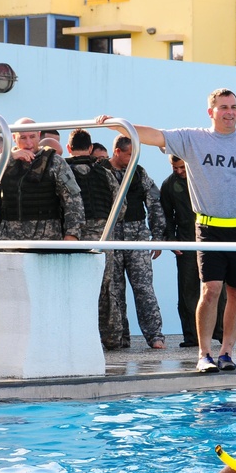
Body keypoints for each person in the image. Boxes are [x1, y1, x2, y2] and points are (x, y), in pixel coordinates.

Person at [96, 88, 236, 373]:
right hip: (209, 228)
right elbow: (154, 135)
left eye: (233, 106)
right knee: (210, 290)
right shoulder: (192, 139)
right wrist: (119, 125)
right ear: (211, 112)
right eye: (223, 107)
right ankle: (204, 353)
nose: (229, 112)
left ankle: (227, 351)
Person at [98, 134, 166, 350]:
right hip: (110, 238)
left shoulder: (139, 172)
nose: (133, 158)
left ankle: (155, 336)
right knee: (114, 290)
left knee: (144, 288)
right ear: (117, 151)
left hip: (137, 236)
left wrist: (158, 237)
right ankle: (119, 338)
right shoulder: (100, 171)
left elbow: (154, 203)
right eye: (129, 154)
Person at [0, 117, 85, 241]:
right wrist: (9, 158)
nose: (28, 143)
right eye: (23, 137)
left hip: (46, 238)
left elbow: (73, 200)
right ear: (14, 138)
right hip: (10, 238)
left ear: (39, 136)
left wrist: (72, 234)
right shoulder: (6, 160)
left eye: (32, 137)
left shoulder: (55, 162)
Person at [160, 154, 225, 348]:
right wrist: (172, 240)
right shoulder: (168, 185)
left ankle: (220, 331)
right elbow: (166, 216)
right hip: (186, 242)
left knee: (218, 289)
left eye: (182, 167)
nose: (179, 171)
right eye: (175, 168)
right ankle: (192, 336)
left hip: (211, 240)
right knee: (188, 291)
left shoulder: (205, 178)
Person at [65, 128, 121, 241]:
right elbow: (121, 206)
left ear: (68, 148)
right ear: (90, 148)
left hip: (73, 236)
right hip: (103, 236)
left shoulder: (62, 173)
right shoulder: (106, 173)